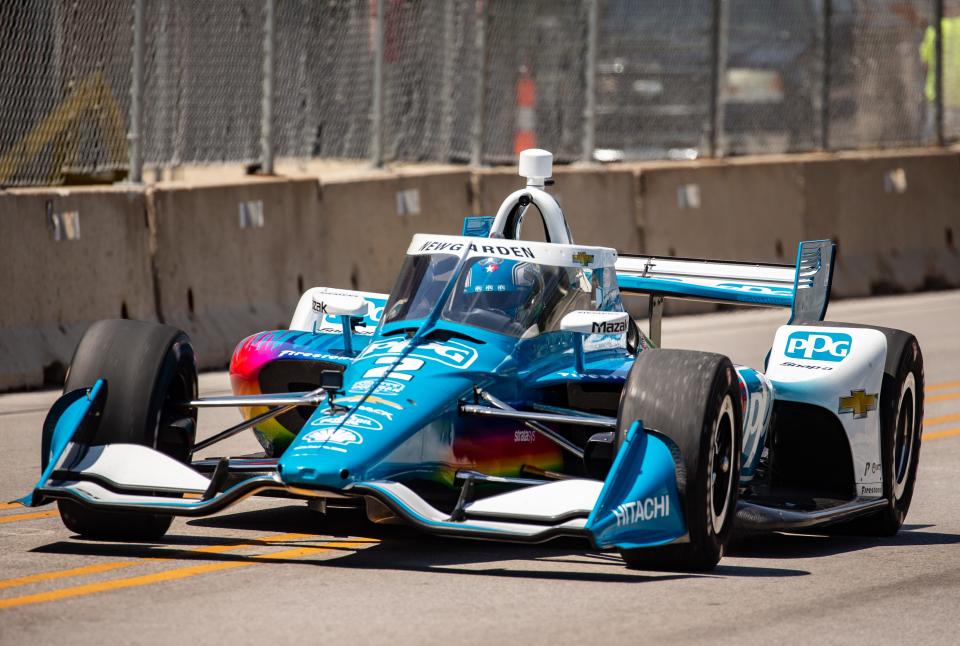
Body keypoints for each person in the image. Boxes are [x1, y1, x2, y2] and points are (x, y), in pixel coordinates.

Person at [920, 8, 960, 139]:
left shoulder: (933, 30)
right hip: (957, 96)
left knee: (933, 138)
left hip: (938, 96)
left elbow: (925, 64)